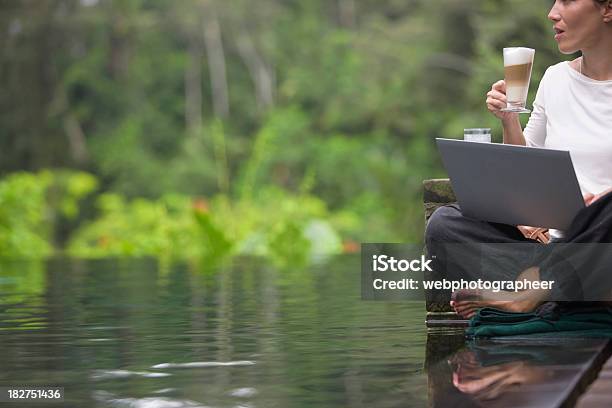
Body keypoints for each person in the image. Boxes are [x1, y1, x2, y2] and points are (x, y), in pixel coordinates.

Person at [425, 0, 612, 318]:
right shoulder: (555, 80)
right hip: (555, 250)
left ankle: (537, 293)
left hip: (604, 242)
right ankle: (566, 291)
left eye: (566, 0)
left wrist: (599, 204)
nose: (552, 13)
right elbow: (526, 167)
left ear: (607, 9)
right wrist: (508, 120)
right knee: (445, 224)